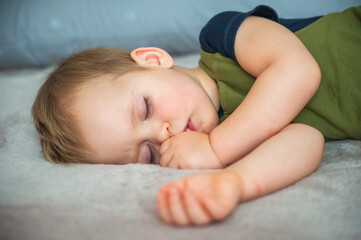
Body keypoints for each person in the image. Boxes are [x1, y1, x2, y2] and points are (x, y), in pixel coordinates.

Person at [31, 5, 361, 226]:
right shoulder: (231, 139)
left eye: (145, 107)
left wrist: (218, 148)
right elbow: (306, 139)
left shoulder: (222, 40)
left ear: (153, 59)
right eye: (148, 154)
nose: (163, 136)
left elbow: (297, 70)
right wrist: (234, 180)